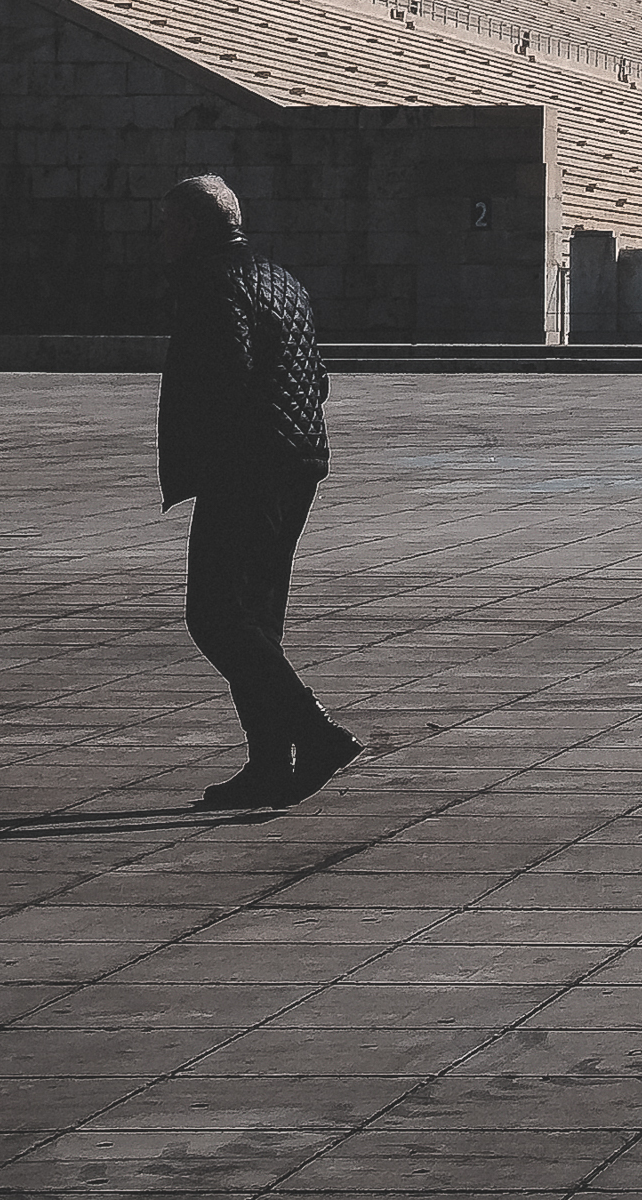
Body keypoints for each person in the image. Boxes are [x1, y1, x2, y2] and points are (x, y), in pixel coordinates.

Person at [157, 173, 361, 808]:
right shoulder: (281, 278)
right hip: (297, 462)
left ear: (192, 226)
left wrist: (206, 452)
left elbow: (226, 375)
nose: (162, 238)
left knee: (214, 616)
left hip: (246, 468)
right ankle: (271, 764)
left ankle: (312, 730)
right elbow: (316, 377)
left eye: (168, 224)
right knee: (256, 619)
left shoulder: (211, 280)